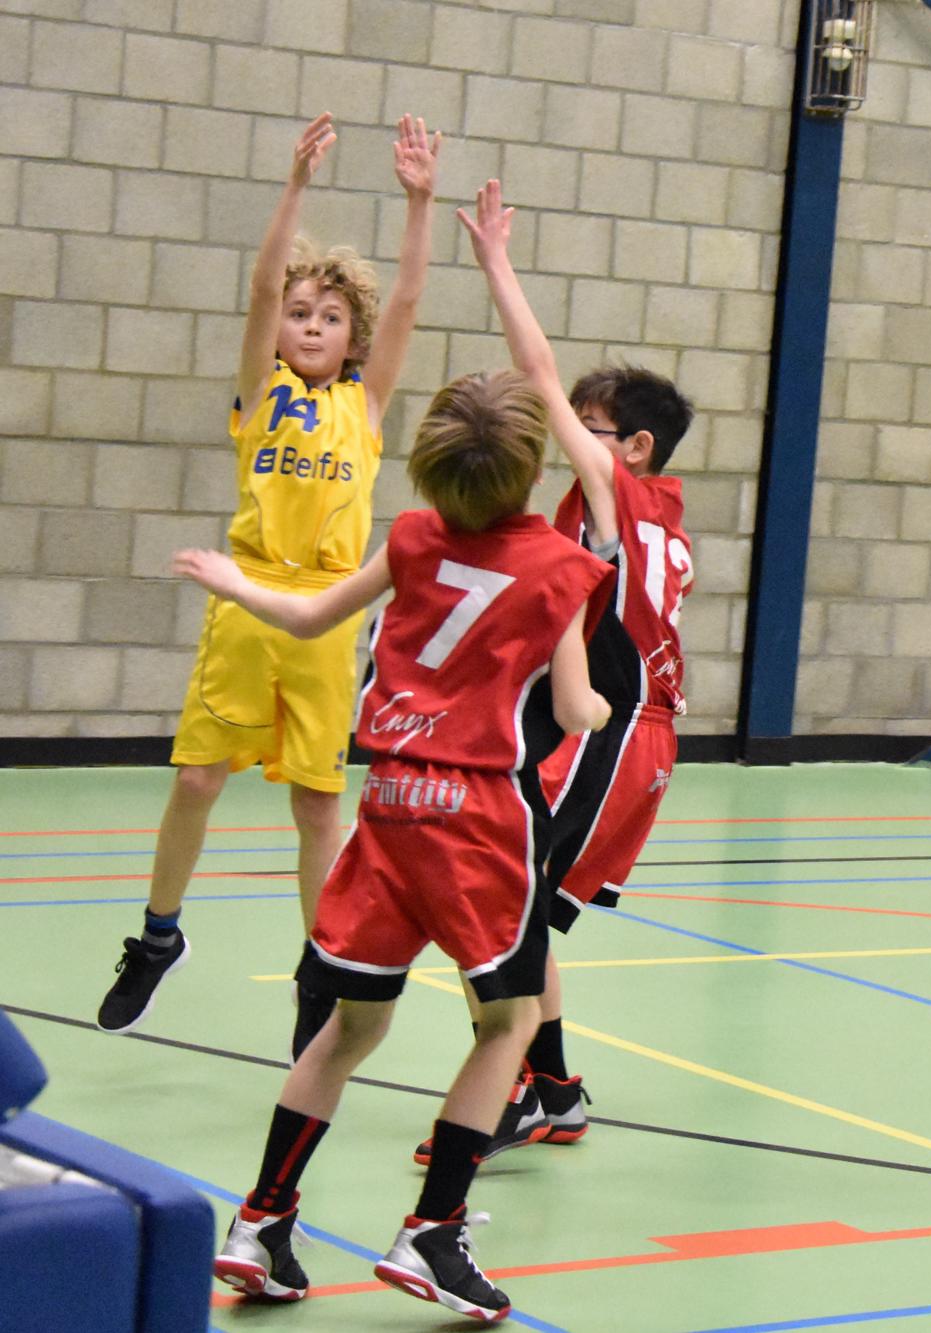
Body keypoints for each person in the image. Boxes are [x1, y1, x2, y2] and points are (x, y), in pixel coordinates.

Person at [193, 368, 614, 1320]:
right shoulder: (560, 569)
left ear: (428, 465)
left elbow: (311, 615)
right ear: (529, 468)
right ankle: (433, 1229)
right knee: (508, 1024)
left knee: (350, 1029)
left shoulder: (414, 536)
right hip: (479, 819)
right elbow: (572, 708)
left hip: (388, 803)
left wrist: (234, 581)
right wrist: (600, 706)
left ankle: (259, 1222)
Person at [96, 113, 442, 1052]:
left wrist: (419, 203)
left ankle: (319, 966)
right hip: (248, 598)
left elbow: (410, 298)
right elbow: (259, 289)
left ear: (353, 335)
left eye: (330, 316)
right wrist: (295, 188)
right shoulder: (261, 392)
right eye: (300, 313)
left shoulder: (366, 406)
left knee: (317, 803)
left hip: (326, 612)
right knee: (198, 777)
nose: (311, 325)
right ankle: (158, 937)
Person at [411, 180, 695, 1164]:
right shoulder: (631, 509)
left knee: (500, 899)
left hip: (614, 732)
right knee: (515, 900)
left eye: (587, 425)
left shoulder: (622, 494)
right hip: (615, 731)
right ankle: (553, 1087)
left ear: (634, 447)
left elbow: (534, 371)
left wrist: (496, 262)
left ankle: (524, 1087)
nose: (567, 432)